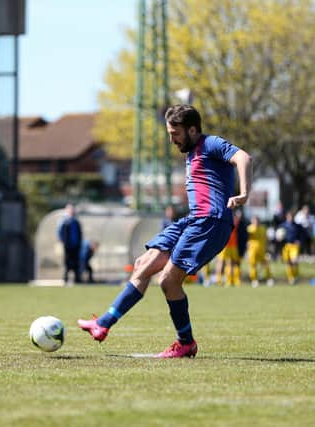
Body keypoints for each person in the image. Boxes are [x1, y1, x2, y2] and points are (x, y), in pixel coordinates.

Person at [77, 104, 252, 358]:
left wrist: (244, 193)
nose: (172, 140)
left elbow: (243, 157)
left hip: (210, 222)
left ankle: (185, 343)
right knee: (143, 263)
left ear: (193, 130)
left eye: (176, 134)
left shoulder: (211, 143)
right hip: (193, 220)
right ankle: (103, 323)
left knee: (168, 280)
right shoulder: (191, 152)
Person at [57, 203, 83, 283]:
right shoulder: (64, 221)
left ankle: (77, 279)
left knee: (76, 262)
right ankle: (65, 278)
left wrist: (79, 243)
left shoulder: (76, 221)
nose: (72, 211)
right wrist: (63, 241)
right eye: (70, 209)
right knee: (67, 262)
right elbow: (60, 233)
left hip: (76, 245)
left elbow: (80, 233)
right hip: (68, 246)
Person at [247, 215, 273, 287]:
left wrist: (268, 249)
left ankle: (269, 279)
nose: (256, 222)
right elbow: (246, 240)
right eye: (254, 221)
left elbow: (266, 240)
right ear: (252, 221)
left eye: (257, 221)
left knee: (266, 264)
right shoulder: (249, 229)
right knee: (253, 265)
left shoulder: (263, 229)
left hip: (262, 250)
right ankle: (254, 280)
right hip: (252, 250)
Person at [281, 211, 303, 285]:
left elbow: (303, 235)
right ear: (287, 217)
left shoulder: (298, 226)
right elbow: (277, 235)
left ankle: (296, 276)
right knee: (289, 263)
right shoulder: (283, 226)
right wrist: (278, 238)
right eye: (289, 216)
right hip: (286, 246)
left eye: (292, 217)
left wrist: (299, 240)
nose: (291, 218)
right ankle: (291, 278)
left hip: (294, 246)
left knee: (294, 261)